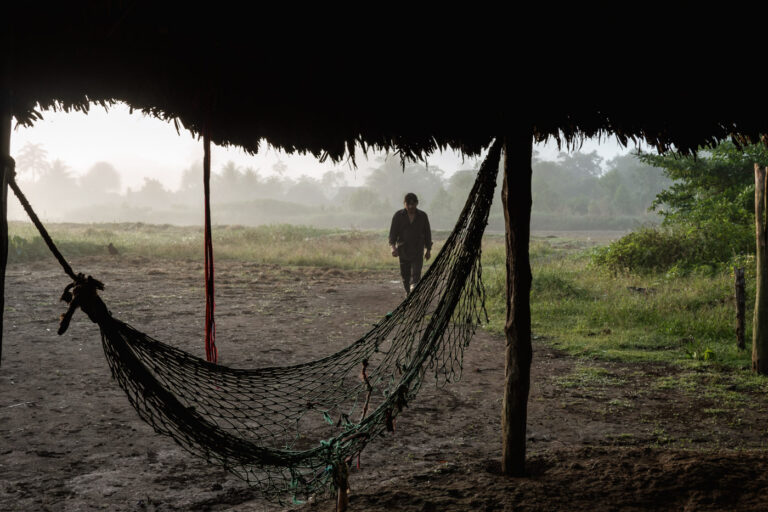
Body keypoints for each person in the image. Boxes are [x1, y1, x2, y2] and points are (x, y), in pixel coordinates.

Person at [389, 192, 432, 295]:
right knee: (405, 276)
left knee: (416, 275)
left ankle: (413, 295)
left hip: (418, 250)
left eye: (413, 204)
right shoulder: (398, 216)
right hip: (403, 250)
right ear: (404, 204)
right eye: (408, 204)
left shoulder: (422, 216)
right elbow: (392, 234)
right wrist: (393, 248)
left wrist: (428, 250)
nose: (411, 206)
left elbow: (427, 233)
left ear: (417, 203)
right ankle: (409, 294)